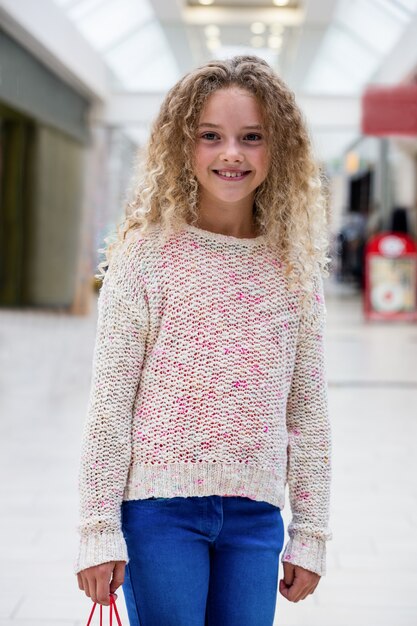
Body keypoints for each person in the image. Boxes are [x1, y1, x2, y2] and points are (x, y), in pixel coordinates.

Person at [74, 55, 332, 626]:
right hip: (158, 515)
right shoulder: (143, 258)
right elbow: (111, 405)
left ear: (279, 149)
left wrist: (310, 535)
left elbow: (307, 412)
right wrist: (98, 529)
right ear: (182, 146)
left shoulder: (293, 269)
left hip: (257, 519)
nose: (231, 153)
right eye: (210, 136)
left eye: (252, 137)